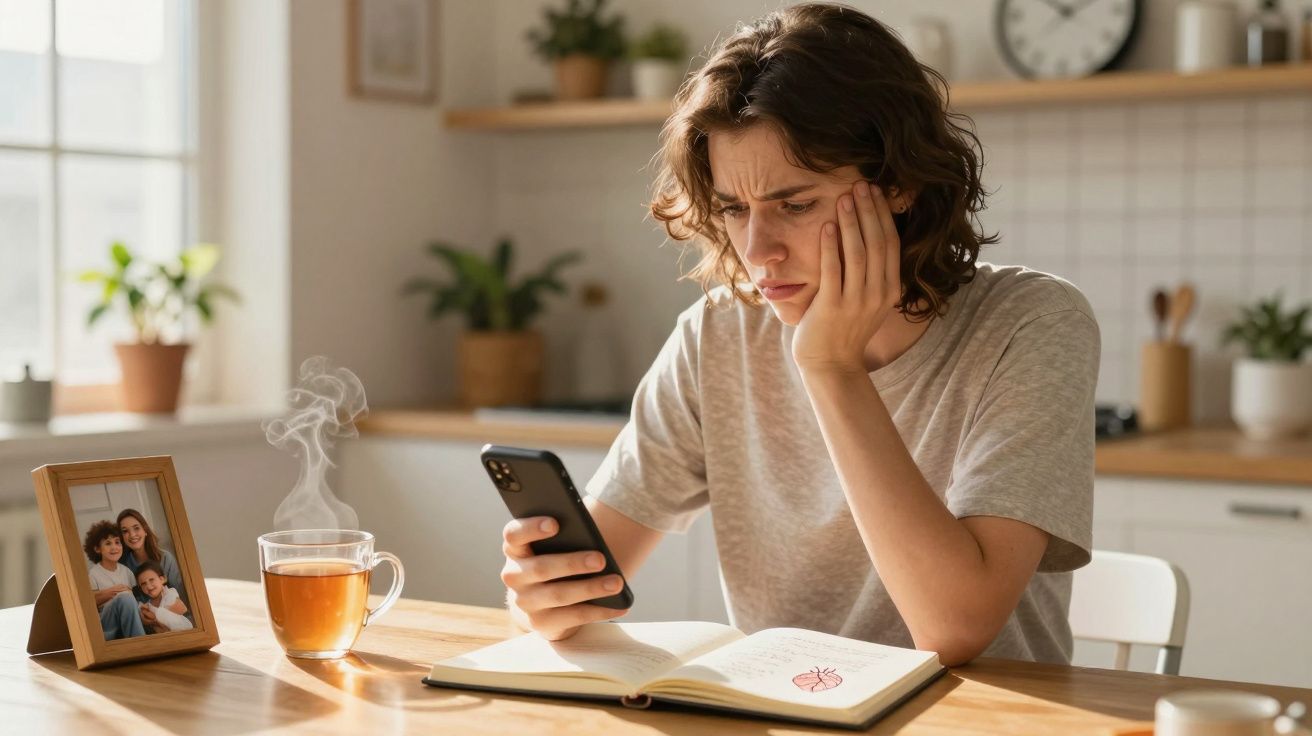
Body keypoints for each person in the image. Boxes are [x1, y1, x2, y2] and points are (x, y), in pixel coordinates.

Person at [499, 2, 1099, 667]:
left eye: (795, 204)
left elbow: (954, 629)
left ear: (896, 184)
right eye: (733, 209)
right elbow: (581, 579)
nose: (759, 251)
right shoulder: (717, 337)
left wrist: (830, 368)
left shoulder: (1034, 324)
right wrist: (544, 597)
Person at [83, 520, 146, 640]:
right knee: (125, 598)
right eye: (108, 543)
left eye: (117, 542)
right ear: (97, 549)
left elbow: (136, 601)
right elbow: (91, 603)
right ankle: (141, 643)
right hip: (106, 624)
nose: (114, 547)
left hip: (128, 619)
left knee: (131, 600)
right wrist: (113, 593)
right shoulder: (93, 574)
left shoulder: (127, 572)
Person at [117, 508, 189, 613]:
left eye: (136, 528)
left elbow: (183, 597)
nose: (132, 535)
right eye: (125, 531)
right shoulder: (122, 566)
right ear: (122, 537)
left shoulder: (165, 558)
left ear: (145, 530)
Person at [134, 562, 193, 632]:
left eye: (151, 580)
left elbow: (179, 610)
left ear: (162, 579)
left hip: (184, 629)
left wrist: (152, 615)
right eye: (143, 584)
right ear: (141, 588)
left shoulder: (170, 593)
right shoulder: (147, 605)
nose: (148, 586)